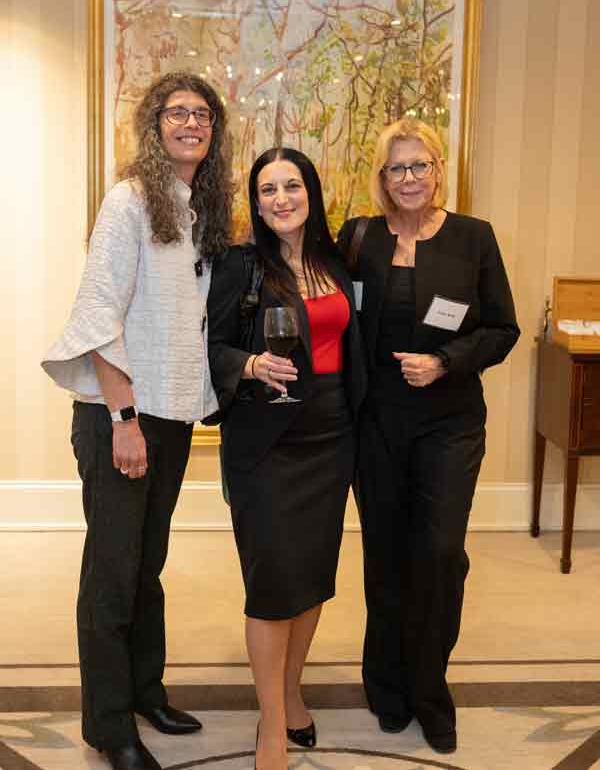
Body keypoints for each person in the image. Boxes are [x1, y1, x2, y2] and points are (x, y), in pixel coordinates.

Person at [42, 72, 233, 770]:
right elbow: (99, 312)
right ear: (154, 126)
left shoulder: (200, 210)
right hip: (120, 415)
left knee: (147, 566)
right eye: (177, 112)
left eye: (202, 114)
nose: (191, 123)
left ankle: (146, 692)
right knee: (113, 574)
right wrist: (123, 418)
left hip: (172, 416)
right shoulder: (128, 201)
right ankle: (109, 725)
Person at [338, 118, 519, 755]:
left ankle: (429, 691)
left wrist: (445, 360)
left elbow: (502, 328)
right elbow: (327, 309)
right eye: (397, 168)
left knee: (439, 554)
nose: (409, 177)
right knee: (385, 555)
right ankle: (386, 685)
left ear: (439, 170)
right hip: (377, 425)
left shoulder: (474, 238)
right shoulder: (358, 238)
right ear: (382, 178)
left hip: (450, 423)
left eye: (420, 165)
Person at [207, 147, 367, 770]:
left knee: (312, 578)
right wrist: (250, 364)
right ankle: (271, 725)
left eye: (291, 186)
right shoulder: (241, 265)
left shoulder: (337, 261)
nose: (281, 199)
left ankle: (292, 690)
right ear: (256, 201)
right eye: (267, 189)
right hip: (267, 443)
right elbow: (210, 346)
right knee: (273, 585)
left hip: (333, 436)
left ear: (311, 192)